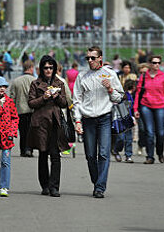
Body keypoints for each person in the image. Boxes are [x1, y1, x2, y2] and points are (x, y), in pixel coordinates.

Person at [73, 46, 124, 199]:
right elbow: (77, 101)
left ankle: (100, 187)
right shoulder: (82, 76)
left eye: (92, 58)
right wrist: (77, 120)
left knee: (103, 153)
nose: (89, 60)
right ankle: (97, 180)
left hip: (104, 117)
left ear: (100, 58)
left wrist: (110, 89)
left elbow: (119, 98)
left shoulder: (110, 74)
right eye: (87, 58)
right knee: (90, 155)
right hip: (88, 119)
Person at [28, 56, 69, 197]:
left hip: (55, 123)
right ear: (41, 68)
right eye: (46, 67)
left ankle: (54, 186)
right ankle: (45, 185)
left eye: (51, 67)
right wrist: (43, 98)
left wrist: (56, 96)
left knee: (56, 155)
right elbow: (31, 103)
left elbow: (64, 103)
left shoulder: (60, 83)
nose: (48, 70)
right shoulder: (35, 83)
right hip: (41, 123)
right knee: (43, 154)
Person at [133, 55, 164, 164]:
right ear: (150, 64)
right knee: (149, 132)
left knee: (160, 133)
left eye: (158, 63)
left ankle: (160, 152)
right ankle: (150, 156)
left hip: (160, 106)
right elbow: (138, 93)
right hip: (146, 106)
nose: (156, 65)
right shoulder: (144, 77)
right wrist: (135, 108)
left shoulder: (163, 77)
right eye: (154, 63)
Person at [9, 60, 36, 157]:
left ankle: (23, 150)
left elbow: (12, 98)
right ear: (31, 68)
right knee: (31, 132)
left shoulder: (16, 81)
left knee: (23, 131)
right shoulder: (34, 80)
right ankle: (29, 149)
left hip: (20, 110)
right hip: (33, 110)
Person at [112, 80, 136, 163]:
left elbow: (133, 109)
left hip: (128, 119)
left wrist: (133, 117)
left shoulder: (133, 96)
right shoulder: (123, 96)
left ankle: (128, 155)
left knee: (129, 138)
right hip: (122, 119)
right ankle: (116, 150)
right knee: (121, 138)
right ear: (133, 87)